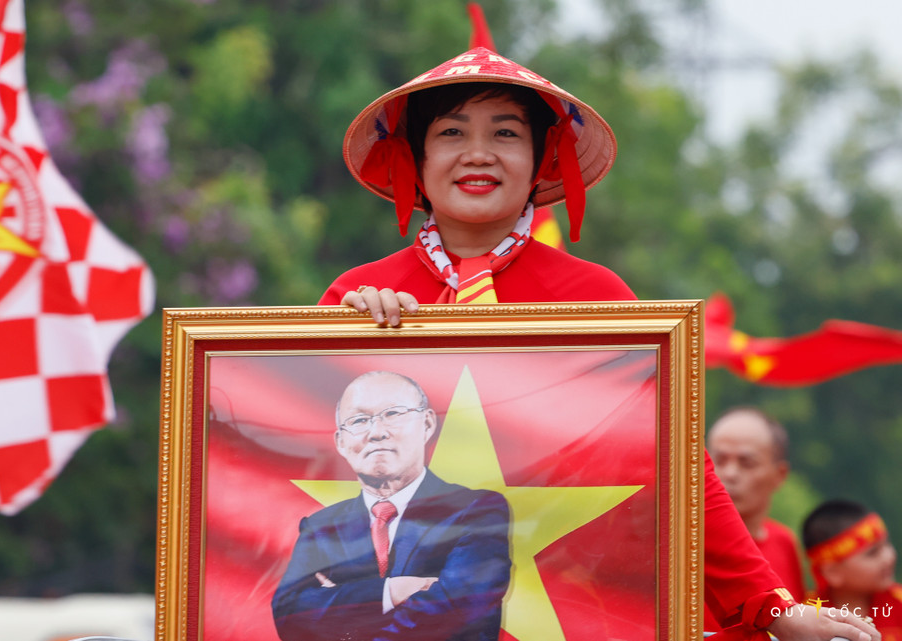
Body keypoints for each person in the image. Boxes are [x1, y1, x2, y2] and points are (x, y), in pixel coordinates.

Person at [319, 44, 879, 641]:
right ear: (418, 158)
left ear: (540, 160)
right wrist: (340, 348)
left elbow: (675, 462)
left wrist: (773, 608)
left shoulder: (596, 299)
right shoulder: (355, 298)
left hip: (564, 609)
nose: (478, 153)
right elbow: (289, 471)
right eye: (452, 132)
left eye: (505, 133)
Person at [271, 371, 511, 641]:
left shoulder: (477, 511)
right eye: (359, 420)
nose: (376, 432)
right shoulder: (321, 527)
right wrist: (392, 592)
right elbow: (289, 615)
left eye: (393, 414)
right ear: (341, 442)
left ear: (427, 424)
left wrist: (339, 607)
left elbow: (458, 609)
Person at [704, 407, 807, 632]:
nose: (730, 474)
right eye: (719, 461)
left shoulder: (784, 542)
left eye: (747, 463)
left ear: (779, 475)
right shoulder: (681, 544)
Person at [802, 499, 902, 640]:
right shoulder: (806, 616)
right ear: (833, 572)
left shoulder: (899, 604)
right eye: (872, 553)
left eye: (887, 544)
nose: (889, 557)